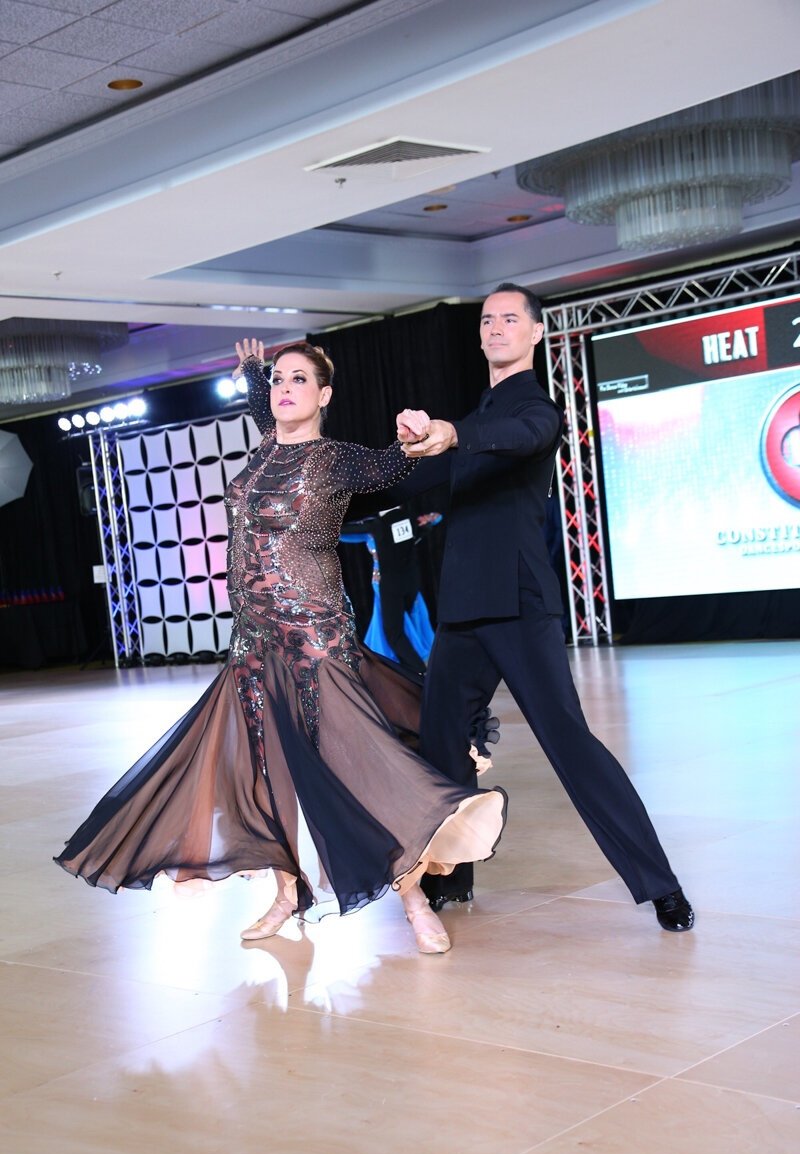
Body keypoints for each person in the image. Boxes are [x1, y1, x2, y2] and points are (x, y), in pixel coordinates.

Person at [55, 339, 507, 954]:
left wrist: (413, 435)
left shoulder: (337, 459)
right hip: (253, 642)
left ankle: (412, 898)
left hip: (316, 639)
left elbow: (395, 464)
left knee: (356, 765)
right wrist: (251, 371)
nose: (284, 387)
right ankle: (287, 894)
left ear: (324, 395)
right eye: (278, 380)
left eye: (299, 379)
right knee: (270, 773)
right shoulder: (267, 442)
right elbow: (264, 408)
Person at [394, 284, 694, 933]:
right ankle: (453, 879)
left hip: (519, 605)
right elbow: (420, 482)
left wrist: (447, 433)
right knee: (442, 743)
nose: (496, 327)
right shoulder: (477, 418)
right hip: (463, 609)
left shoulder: (532, 411)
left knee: (569, 743)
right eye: (487, 319)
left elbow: (520, 435)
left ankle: (661, 884)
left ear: (534, 333)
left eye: (510, 318)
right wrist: (393, 459)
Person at [340, 504, 440, 673]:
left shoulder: (376, 525)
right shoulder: (408, 519)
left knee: (394, 631)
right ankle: (410, 668)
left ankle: (419, 671)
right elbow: (432, 522)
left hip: (389, 583)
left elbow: (343, 532)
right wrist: (429, 522)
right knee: (400, 625)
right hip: (408, 582)